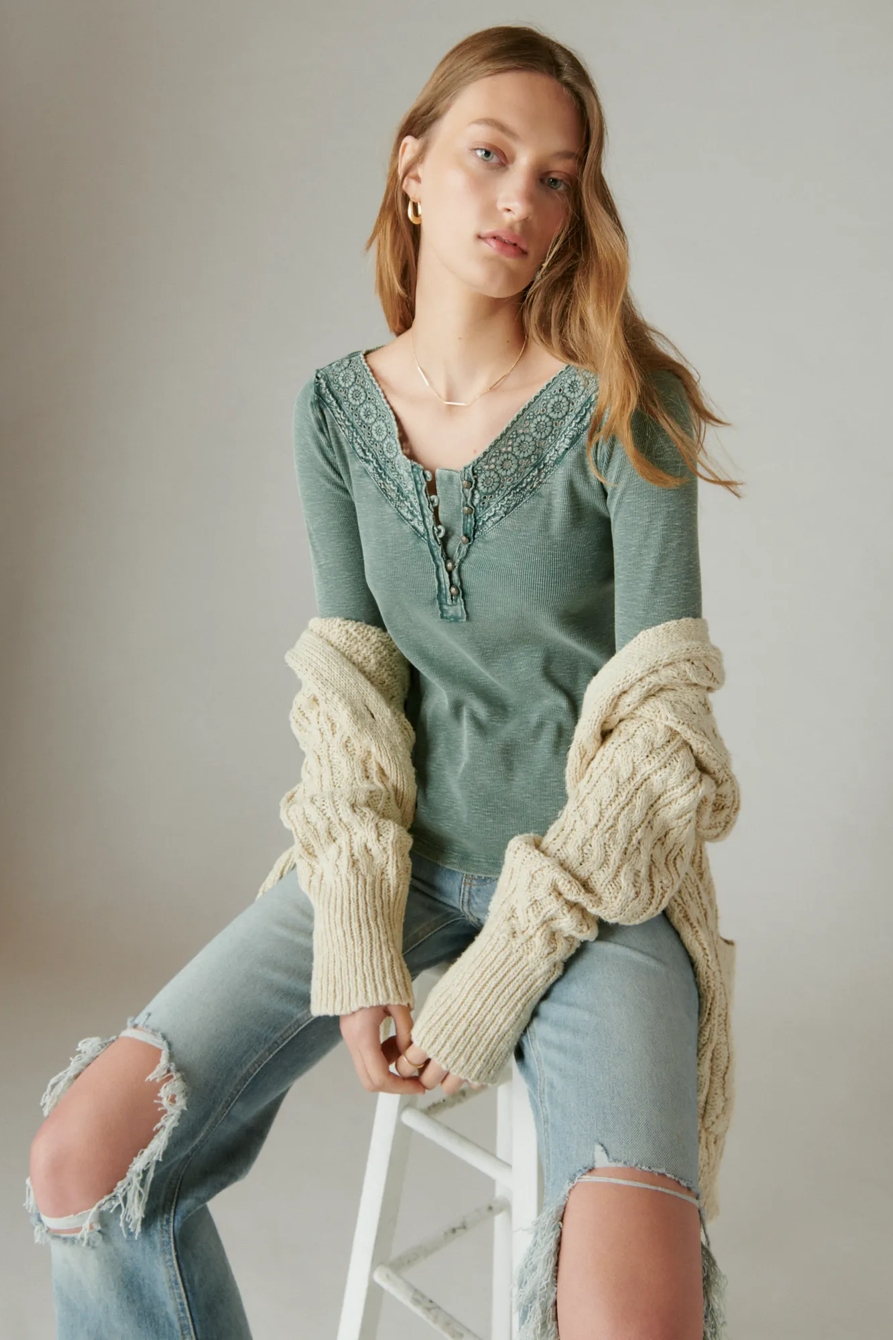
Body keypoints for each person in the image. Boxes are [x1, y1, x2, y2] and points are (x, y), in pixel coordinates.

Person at [24, 23, 744, 1340]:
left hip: (598, 892)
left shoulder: (629, 406)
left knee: (634, 1319)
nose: (521, 200)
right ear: (413, 167)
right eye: (490, 156)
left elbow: (661, 737)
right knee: (86, 1160)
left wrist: (498, 975)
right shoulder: (334, 413)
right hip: (392, 865)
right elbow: (353, 697)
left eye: (556, 178)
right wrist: (361, 946)